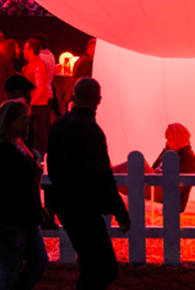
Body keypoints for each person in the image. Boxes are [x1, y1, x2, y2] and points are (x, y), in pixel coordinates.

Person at [46, 78, 130, 290]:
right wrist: (119, 210)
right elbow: (101, 174)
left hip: (65, 204)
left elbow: (53, 166)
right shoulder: (92, 131)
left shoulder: (58, 125)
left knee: (89, 262)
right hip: (85, 206)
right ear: (98, 100)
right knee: (105, 267)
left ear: (73, 97)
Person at [0, 99, 48, 290]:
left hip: (22, 217)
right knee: (11, 269)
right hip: (11, 219)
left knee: (34, 262)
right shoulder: (3, 151)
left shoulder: (14, 146)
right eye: (24, 119)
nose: (28, 123)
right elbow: (11, 189)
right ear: (11, 122)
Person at [23, 39, 52, 155]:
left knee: (38, 138)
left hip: (37, 107)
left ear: (30, 50)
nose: (23, 51)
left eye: (25, 49)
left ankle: (40, 160)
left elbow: (40, 87)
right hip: (35, 106)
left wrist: (30, 103)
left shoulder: (37, 66)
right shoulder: (31, 65)